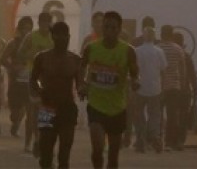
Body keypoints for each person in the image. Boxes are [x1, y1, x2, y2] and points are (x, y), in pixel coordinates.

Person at [79, 11, 139, 169]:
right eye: (106, 27)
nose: (109, 31)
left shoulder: (128, 51)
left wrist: (135, 82)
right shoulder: (91, 48)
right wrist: (82, 85)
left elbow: (134, 73)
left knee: (113, 156)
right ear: (101, 28)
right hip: (96, 106)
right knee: (97, 149)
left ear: (119, 30)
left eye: (113, 28)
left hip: (117, 108)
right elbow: (81, 67)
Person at [30, 21, 84, 169]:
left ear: (69, 36)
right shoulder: (41, 58)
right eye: (57, 35)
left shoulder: (75, 60)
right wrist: (39, 89)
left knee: (64, 156)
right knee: (46, 157)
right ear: (52, 37)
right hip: (47, 108)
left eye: (64, 35)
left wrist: (81, 90)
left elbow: (79, 82)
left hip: (67, 108)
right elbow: (33, 80)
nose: (61, 38)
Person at [19, 11, 55, 156]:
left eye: (48, 23)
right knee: (33, 111)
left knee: (46, 111)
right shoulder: (31, 37)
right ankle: (33, 140)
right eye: (43, 23)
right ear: (39, 23)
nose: (46, 26)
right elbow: (20, 53)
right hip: (33, 76)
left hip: (49, 78)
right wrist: (32, 54)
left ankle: (40, 140)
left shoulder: (54, 38)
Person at [133, 26, 167, 153]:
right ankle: (153, 136)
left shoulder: (137, 51)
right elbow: (163, 71)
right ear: (154, 37)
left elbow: (133, 71)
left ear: (143, 36)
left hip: (140, 88)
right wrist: (162, 86)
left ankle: (141, 139)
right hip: (155, 88)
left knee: (138, 115)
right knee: (155, 114)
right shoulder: (159, 51)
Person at [1, 16, 34, 138]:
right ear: (20, 29)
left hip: (29, 80)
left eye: (29, 28)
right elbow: (3, 59)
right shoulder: (13, 43)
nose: (27, 31)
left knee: (28, 106)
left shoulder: (34, 44)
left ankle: (21, 125)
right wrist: (13, 67)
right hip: (15, 80)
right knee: (15, 111)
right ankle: (15, 121)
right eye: (24, 28)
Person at [158, 24, 186, 151]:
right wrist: (183, 83)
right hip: (174, 86)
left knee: (157, 114)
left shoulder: (158, 48)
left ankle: (157, 140)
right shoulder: (178, 49)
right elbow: (182, 69)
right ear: (172, 34)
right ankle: (171, 142)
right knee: (172, 115)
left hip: (159, 86)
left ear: (162, 34)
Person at [173, 31, 197, 148]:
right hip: (185, 90)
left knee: (173, 115)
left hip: (173, 90)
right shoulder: (187, 56)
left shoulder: (170, 55)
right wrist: (195, 91)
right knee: (183, 116)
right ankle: (180, 141)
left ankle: (172, 139)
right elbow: (193, 76)